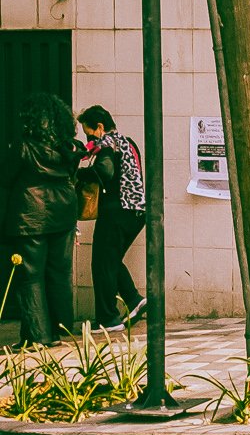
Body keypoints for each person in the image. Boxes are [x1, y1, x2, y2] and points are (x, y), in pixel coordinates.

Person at [0, 92, 80, 345]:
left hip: (29, 216)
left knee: (30, 275)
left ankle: (37, 336)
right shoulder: (70, 149)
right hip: (64, 212)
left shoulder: (23, 146)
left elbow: (6, 178)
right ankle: (61, 331)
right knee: (59, 272)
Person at [78, 106, 146, 332]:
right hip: (135, 212)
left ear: (99, 127)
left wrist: (78, 173)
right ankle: (134, 299)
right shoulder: (127, 142)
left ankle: (108, 319)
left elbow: (105, 172)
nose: (88, 138)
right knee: (110, 260)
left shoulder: (107, 144)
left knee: (102, 263)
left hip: (117, 211)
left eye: (88, 133)